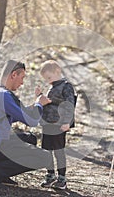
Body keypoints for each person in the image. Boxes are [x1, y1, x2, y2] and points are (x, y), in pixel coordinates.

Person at [0, 60, 53, 189]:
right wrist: (39, 104)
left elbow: (12, 115)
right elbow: (31, 121)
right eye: (22, 78)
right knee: (45, 157)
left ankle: (0, 173)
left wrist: (34, 106)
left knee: (30, 139)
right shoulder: (4, 95)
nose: (22, 83)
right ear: (13, 75)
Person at [35, 60, 76, 190]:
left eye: (49, 77)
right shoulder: (52, 87)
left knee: (59, 151)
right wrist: (40, 96)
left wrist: (67, 122)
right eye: (45, 78)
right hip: (47, 123)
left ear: (57, 71)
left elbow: (69, 105)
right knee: (47, 150)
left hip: (59, 124)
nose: (47, 80)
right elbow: (50, 103)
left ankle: (62, 178)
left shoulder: (66, 86)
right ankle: (50, 175)